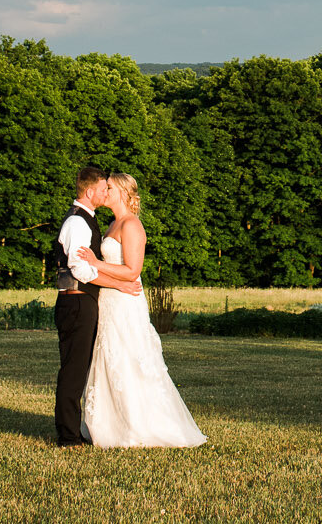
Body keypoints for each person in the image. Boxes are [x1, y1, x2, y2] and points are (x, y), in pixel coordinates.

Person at [74, 172, 207, 449]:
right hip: (109, 302)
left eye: (108, 187)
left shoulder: (132, 225)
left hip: (125, 302)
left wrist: (95, 263)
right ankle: (107, 425)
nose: (104, 191)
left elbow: (133, 271)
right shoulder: (112, 224)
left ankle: (138, 425)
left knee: (128, 357)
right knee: (109, 357)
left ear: (123, 191)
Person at [49, 165, 121, 446]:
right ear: (90, 191)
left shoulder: (86, 219)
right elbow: (79, 268)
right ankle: (67, 435)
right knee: (73, 369)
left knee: (78, 368)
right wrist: (114, 282)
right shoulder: (77, 222)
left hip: (82, 302)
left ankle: (72, 429)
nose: (106, 192)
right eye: (103, 188)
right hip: (76, 303)